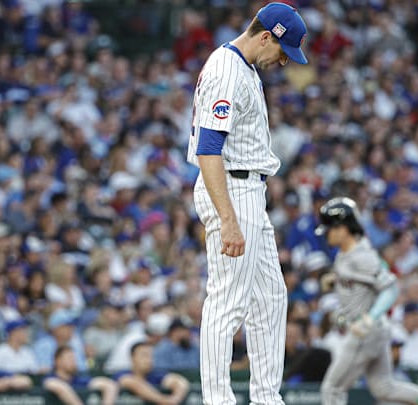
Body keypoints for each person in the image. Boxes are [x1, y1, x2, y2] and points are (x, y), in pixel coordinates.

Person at [185, 3, 308, 404]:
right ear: (266, 36)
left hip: (248, 189)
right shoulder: (226, 70)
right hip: (232, 190)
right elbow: (208, 149)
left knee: (272, 296)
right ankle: (218, 400)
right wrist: (228, 219)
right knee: (227, 302)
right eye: (283, 51)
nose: (285, 61)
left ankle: (266, 397)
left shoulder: (245, 67)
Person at [315, 197, 418, 405]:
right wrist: (335, 280)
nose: (327, 234)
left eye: (330, 229)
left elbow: (390, 288)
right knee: (384, 387)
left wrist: (370, 317)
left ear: (343, 228)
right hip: (374, 330)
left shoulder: (363, 256)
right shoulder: (347, 253)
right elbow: (360, 280)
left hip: (365, 330)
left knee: (332, 389)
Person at [115, 342, 190, 405]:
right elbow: (133, 383)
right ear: (132, 357)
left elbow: (180, 382)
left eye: (151, 356)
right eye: (144, 355)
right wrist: (165, 401)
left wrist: (175, 399)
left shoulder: (155, 375)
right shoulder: (122, 374)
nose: (149, 360)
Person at [43, 346, 118, 405]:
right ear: (57, 361)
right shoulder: (51, 378)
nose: (73, 361)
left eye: (74, 358)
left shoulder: (79, 379)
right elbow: (58, 387)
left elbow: (109, 385)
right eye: (69, 358)